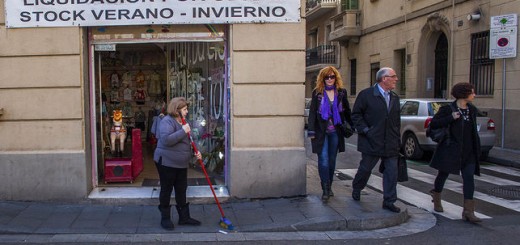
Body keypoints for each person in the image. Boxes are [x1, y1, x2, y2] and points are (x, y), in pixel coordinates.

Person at [429, 82, 482, 223]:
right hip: (450, 150)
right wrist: (451, 118)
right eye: (472, 92)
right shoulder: (448, 109)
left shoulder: (472, 110)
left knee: (469, 178)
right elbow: (433, 124)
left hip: (469, 151)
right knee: (443, 174)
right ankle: (436, 195)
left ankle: (468, 211)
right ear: (464, 94)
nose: (474, 95)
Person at [350, 67, 402, 213]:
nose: (396, 79)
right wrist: (366, 130)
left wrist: (398, 140)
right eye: (393, 76)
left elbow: (396, 121)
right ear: (384, 78)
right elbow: (356, 115)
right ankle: (357, 187)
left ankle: (389, 201)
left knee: (391, 173)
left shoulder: (395, 98)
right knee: (365, 168)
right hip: (371, 141)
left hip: (390, 142)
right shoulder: (366, 95)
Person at [154, 97, 202, 230]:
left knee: (181, 189)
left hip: (181, 164)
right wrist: (183, 131)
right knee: (167, 189)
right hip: (166, 163)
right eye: (185, 109)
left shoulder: (183, 122)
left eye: (187, 109)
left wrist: (195, 152)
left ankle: (184, 217)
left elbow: (189, 140)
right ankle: (165, 218)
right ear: (177, 110)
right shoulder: (166, 121)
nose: (187, 111)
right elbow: (166, 140)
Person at [308, 66, 353, 201]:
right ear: (322, 78)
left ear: (335, 78)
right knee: (323, 160)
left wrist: (354, 125)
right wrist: (311, 131)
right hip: (321, 132)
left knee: (332, 160)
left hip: (336, 132)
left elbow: (347, 111)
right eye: (326, 77)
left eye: (332, 77)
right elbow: (312, 113)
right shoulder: (317, 93)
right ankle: (325, 190)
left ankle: (330, 186)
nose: (329, 79)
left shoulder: (341, 92)